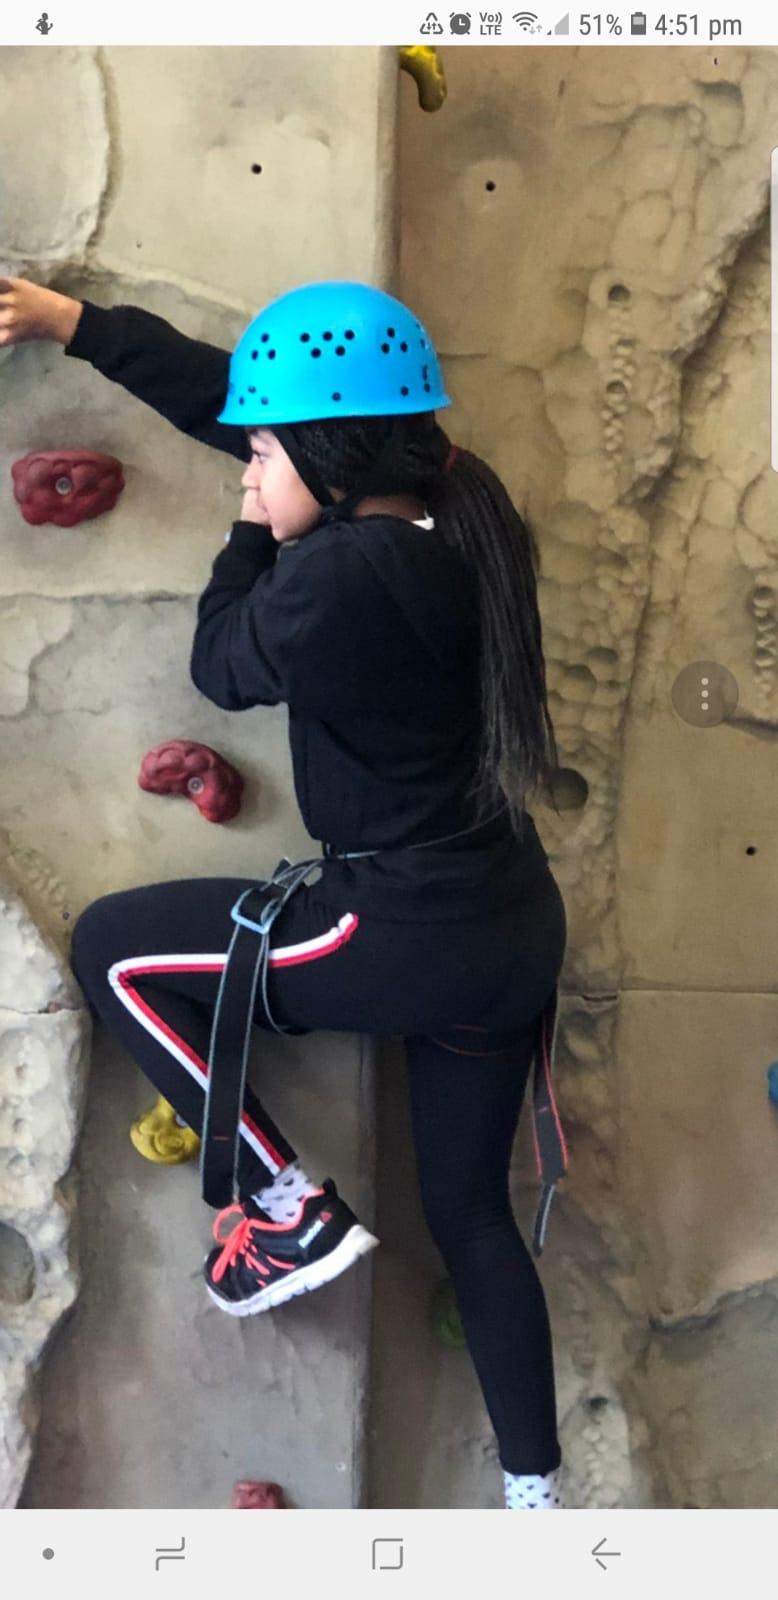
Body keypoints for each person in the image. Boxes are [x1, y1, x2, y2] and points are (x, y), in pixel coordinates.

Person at [0, 274, 569, 1510]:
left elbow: (221, 659)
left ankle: (283, 1203)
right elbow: (251, 403)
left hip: (400, 925)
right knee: (470, 1215)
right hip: (509, 923)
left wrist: (255, 524)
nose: (247, 471)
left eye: (262, 458)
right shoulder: (457, 502)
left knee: (115, 950)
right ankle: (537, 1505)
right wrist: (75, 325)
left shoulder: (339, 575)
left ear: (329, 455)